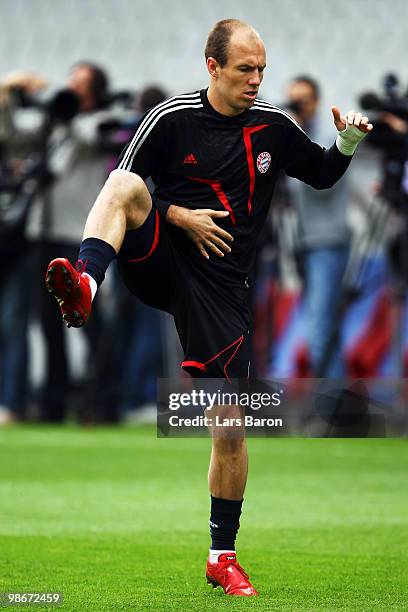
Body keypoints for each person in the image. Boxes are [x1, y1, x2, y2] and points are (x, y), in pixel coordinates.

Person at [44, 19, 372, 596]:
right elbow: (119, 181)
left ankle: (222, 557)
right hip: (164, 261)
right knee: (125, 188)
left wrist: (348, 141)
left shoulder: (272, 126)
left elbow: (321, 174)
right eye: (245, 69)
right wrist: (178, 215)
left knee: (230, 427)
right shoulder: (171, 118)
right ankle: (88, 286)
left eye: (261, 69)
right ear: (212, 67)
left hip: (222, 291)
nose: (256, 79)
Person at [286, 76, 352, 377]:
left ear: (316, 102)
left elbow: (318, 184)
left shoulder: (327, 136)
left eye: (303, 100)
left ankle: (322, 406)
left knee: (319, 328)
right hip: (303, 242)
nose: (298, 106)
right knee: (326, 327)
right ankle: (338, 408)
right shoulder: (291, 139)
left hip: (328, 242)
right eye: (293, 100)